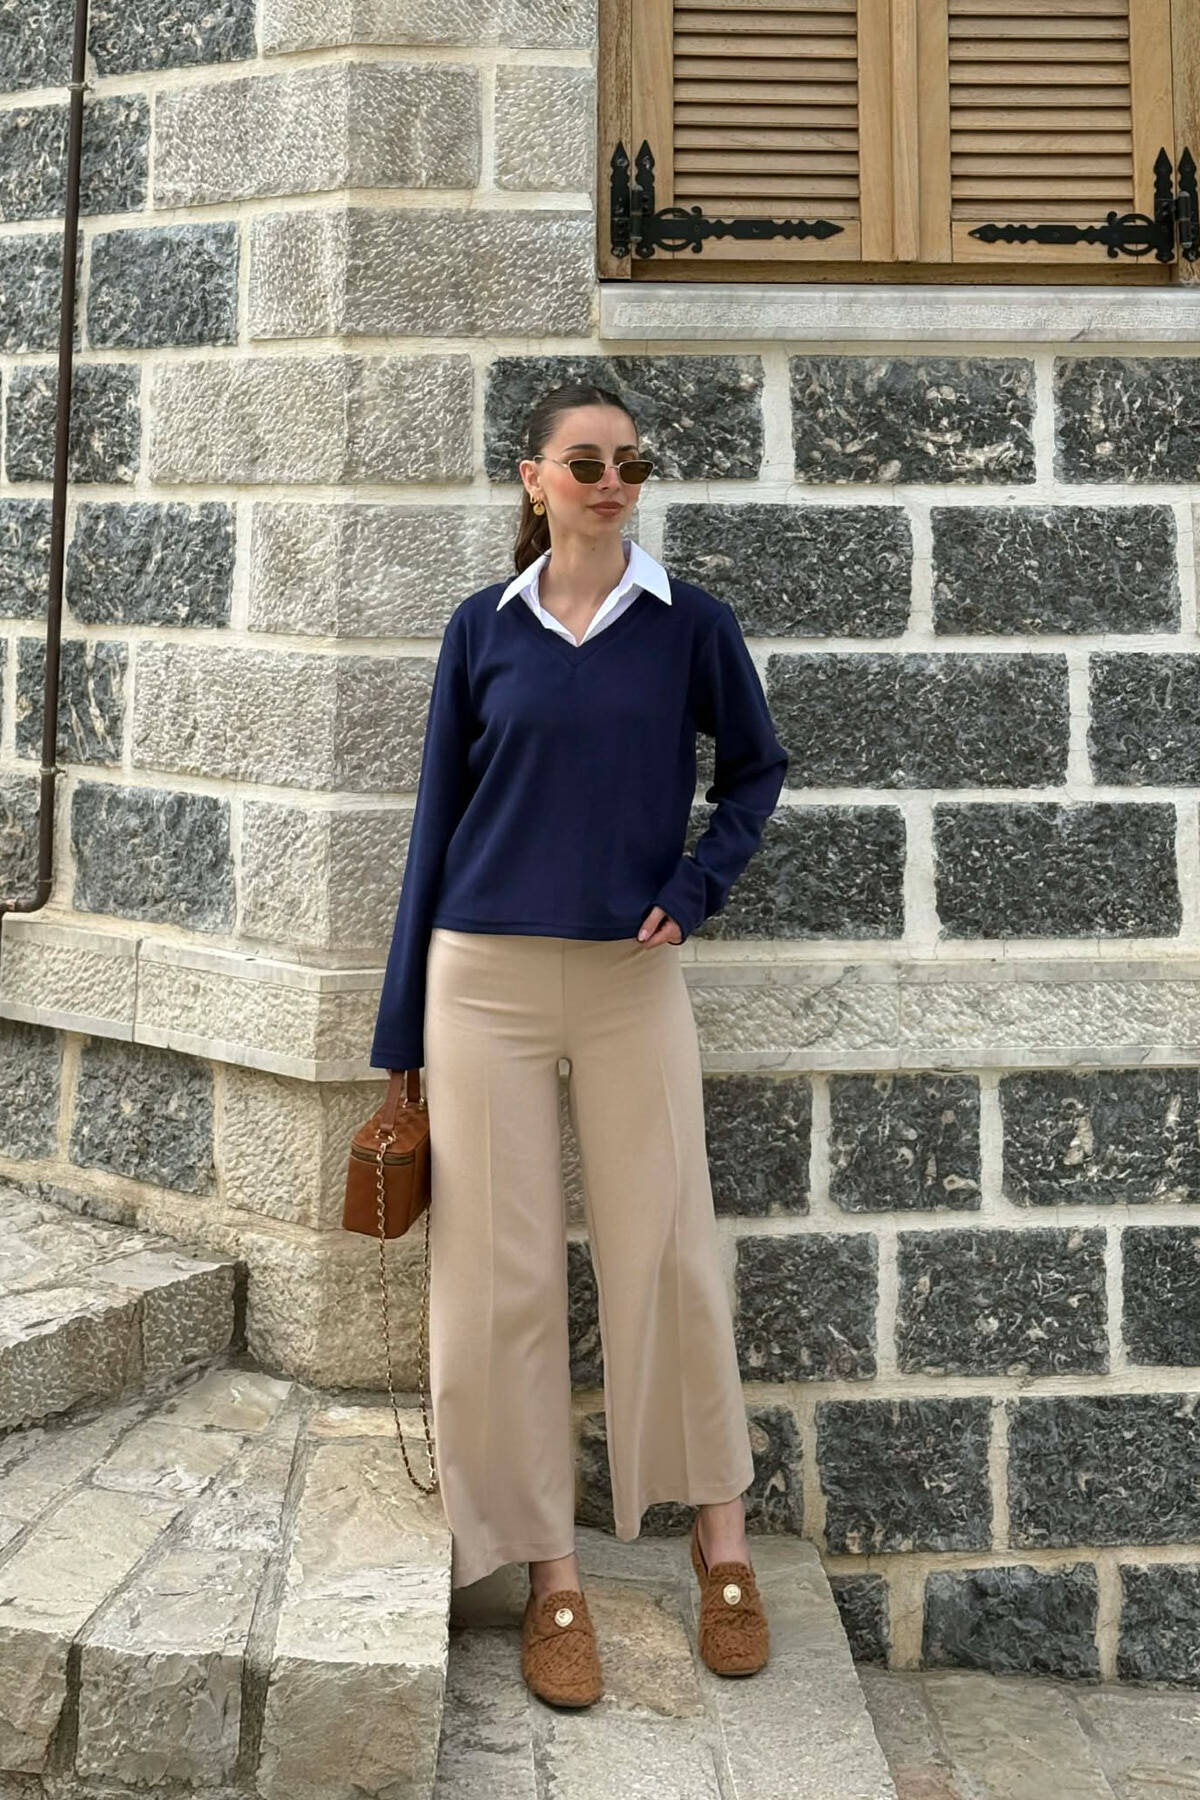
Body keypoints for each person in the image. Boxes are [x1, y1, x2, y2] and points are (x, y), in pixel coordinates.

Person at [369, 380, 789, 1706]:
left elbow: (758, 768)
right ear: (533, 479)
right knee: (497, 1279)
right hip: (481, 976)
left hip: (628, 973)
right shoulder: (481, 629)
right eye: (586, 462)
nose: (612, 482)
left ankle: (720, 1540)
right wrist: (401, 1029)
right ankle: (550, 1572)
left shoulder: (688, 625)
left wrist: (698, 883)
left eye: (630, 464)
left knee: (667, 1248)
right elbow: (436, 821)